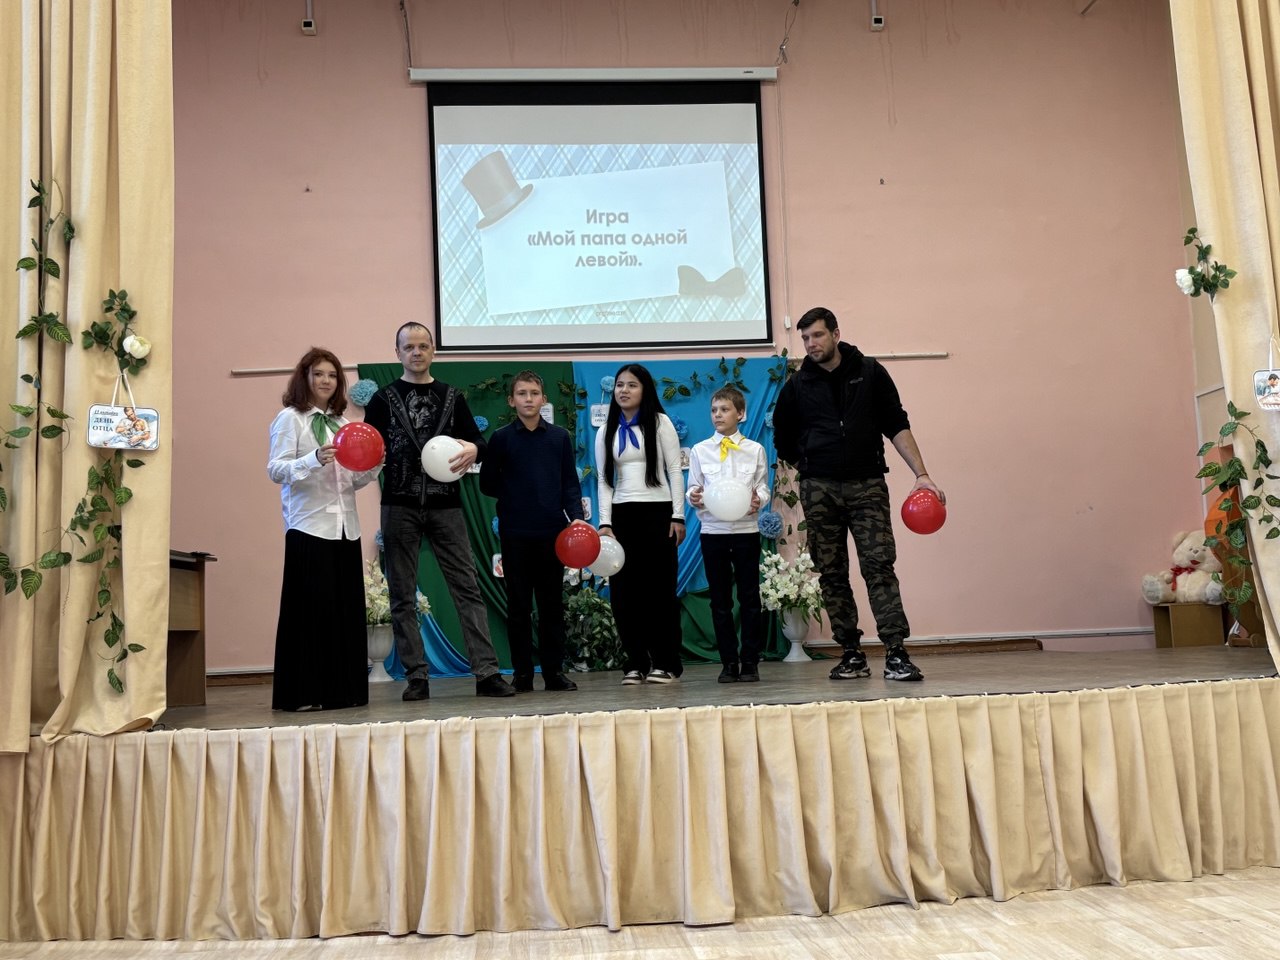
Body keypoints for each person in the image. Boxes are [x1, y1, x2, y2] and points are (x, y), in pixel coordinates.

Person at [772, 307, 945, 683]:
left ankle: (896, 652)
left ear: (835, 334)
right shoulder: (797, 386)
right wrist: (811, 463)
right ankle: (851, 653)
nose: (811, 344)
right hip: (819, 489)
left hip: (867, 485)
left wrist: (922, 474)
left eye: (817, 335)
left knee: (879, 567)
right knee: (831, 572)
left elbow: (896, 423)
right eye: (805, 338)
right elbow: (783, 439)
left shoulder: (870, 372)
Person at [363, 322, 515, 700]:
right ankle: (417, 676)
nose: (416, 352)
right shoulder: (382, 399)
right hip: (399, 504)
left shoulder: (451, 396)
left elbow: (478, 442)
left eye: (423, 346)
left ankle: (487, 673)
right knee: (401, 593)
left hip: (446, 505)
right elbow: (368, 447)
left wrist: (474, 449)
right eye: (409, 347)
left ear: (433, 351)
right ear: (398, 353)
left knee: (467, 587)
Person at [267, 347, 381, 711]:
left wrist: (373, 466)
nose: (326, 381)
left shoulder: (344, 423)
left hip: (345, 527)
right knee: (309, 612)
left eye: (332, 375)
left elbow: (350, 481)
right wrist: (313, 458)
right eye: (318, 374)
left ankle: (343, 692)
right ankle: (303, 694)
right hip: (309, 525)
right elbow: (276, 470)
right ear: (305, 377)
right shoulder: (290, 419)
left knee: (343, 612)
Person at [479, 371, 584, 693]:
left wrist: (577, 518)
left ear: (544, 399)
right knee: (519, 606)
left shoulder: (559, 438)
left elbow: (569, 483)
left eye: (534, 393)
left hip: (552, 534)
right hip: (516, 535)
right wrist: (515, 494)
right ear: (511, 401)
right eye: (522, 393)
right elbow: (487, 483)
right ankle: (522, 674)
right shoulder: (501, 439)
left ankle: (554, 672)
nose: (528, 399)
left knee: (552, 606)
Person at [594, 363, 686, 684]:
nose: (624, 390)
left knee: (660, 592)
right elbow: (604, 480)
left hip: (658, 514)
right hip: (622, 517)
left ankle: (666, 662)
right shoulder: (605, 430)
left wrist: (678, 515)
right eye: (620, 385)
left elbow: (674, 471)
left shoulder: (660, 423)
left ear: (644, 389)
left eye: (632, 385)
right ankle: (635, 662)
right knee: (624, 595)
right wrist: (605, 523)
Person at [687, 385, 770, 683]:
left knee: (749, 598)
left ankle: (750, 661)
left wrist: (760, 499)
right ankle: (728, 663)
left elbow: (762, 486)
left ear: (740, 413)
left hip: (746, 531)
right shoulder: (700, 450)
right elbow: (693, 487)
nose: (718, 415)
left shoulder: (755, 450)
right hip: (713, 532)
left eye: (724, 409)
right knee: (720, 600)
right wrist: (694, 497)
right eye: (714, 410)